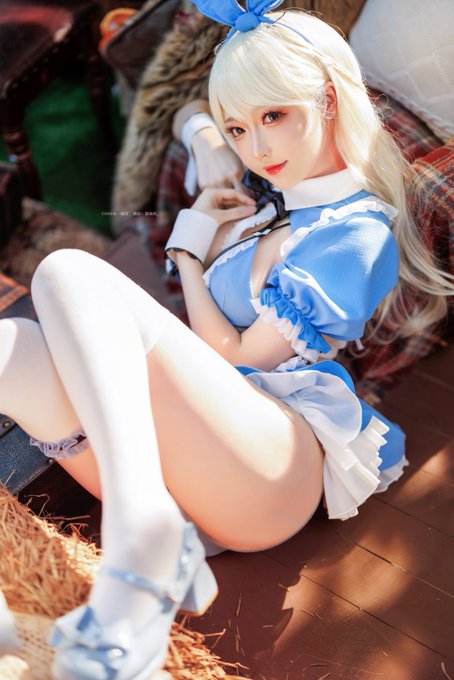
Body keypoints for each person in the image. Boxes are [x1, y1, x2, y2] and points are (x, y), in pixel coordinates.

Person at [0, 2, 452, 679]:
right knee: (12, 349)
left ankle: (142, 526)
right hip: (208, 457)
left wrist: (189, 252)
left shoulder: (356, 231)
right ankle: (149, 532)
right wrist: (209, 145)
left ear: (329, 99)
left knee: (66, 271)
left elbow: (232, 357)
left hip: (274, 465)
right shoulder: (270, 206)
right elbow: (185, 110)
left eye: (274, 116)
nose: (258, 148)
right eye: (241, 128)